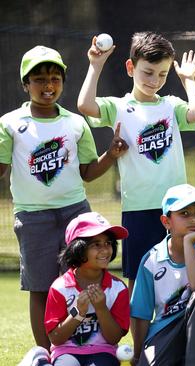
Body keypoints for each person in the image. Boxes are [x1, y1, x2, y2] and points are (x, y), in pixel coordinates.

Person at [0, 45, 125, 350]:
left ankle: (82, 349)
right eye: (40, 79)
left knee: (79, 282)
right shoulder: (10, 123)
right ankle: (46, 354)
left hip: (76, 216)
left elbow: (88, 172)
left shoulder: (74, 122)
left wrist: (111, 153)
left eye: (55, 78)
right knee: (42, 288)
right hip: (33, 217)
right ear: (25, 84)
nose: (48, 85)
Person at [77, 32, 195, 293]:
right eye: (148, 72)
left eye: (162, 74)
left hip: (174, 210)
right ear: (130, 67)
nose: (155, 80)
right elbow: (85, 105)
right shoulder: (119, 106)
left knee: (179, 277)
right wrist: (96, 65)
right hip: (137, 209)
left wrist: (189, 80)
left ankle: (174, 332)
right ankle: (140, 336)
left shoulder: (171, 106)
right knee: (139, 279)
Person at [130, 184, 195, 365]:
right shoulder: (151, 260)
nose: (194, 219)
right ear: (166, 222)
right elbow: (141, 314)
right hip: (164, 329)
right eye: (185, 214)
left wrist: (189, 244)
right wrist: (137, 356)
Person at [44, 212, 130, 366]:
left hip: (103, 352)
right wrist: (78, 313)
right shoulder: (59, 288)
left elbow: (114, 338)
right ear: (78, 248)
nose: (105, 250)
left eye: (108, 242)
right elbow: (56, 339)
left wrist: (101, 309)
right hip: (66, 352)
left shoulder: (118, 289)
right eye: (96, 244)